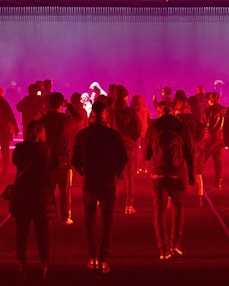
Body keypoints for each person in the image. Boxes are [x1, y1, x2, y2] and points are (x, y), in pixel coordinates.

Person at [72, 99, 128, 273]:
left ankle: (92, 256)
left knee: (89, 220)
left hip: (90, 180)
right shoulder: (112, 135)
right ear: (105, 116)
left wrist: (83, 171)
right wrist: (116, 173)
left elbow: (74, 159)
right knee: (107, 221)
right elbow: (123, 157)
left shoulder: (83, 135)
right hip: (107, 180)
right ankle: (103, 259)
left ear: (91, 116)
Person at [143, 99, 195, 260]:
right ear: (172, 110)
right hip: (178, 174)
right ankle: (175, 244)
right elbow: (190, 153)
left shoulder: (153, 128)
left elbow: (146, 155)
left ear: (159, 111)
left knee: (159, 211)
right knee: (178, 209)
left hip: (157, 175)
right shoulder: (182, 127)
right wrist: (192, 175)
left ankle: (163, 249)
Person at [10, 120, 57, 279]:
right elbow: (54, 164)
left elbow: (15, 161)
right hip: (41, 195)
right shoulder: (47, 150)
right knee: (42, 232)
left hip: (23, 194)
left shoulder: (20, 149)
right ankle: (44, 263)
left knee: (21, 231)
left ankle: (22, 262)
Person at [41, 91, 84, 225]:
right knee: (65, 192)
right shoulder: (65, 121)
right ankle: (65, 217)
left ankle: (46, 214)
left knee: (48, 190)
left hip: (48, 159)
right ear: (61, 104)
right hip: (64, 160)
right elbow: (79, 119)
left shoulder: (44, 120)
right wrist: (69, 106)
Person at [109, 86, 142, 215]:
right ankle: (128, 205)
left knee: (113, 176)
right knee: (129, 175)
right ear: (125, 97)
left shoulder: (109, 112)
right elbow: (138, 129)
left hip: (112, 147)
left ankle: (110, 203)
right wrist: (132, 139)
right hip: (127, 147)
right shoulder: (131, 112)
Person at [195, 91, 226, 198]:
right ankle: (218, 183)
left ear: (210, 100)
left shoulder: (207, 111)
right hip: (221, 140)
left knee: (200, 160)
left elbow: (205, 126)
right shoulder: (224, 110)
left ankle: (198, 182)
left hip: (209, 140)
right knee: (219, 163)